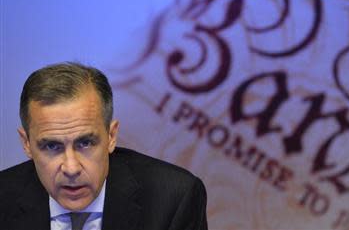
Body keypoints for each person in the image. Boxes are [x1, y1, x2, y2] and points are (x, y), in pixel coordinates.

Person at [0, 62, 208, 230]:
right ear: (26, 144)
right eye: (52, 147)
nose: (71, 169)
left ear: (111, 136)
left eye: (85, 143)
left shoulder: (173, 199)